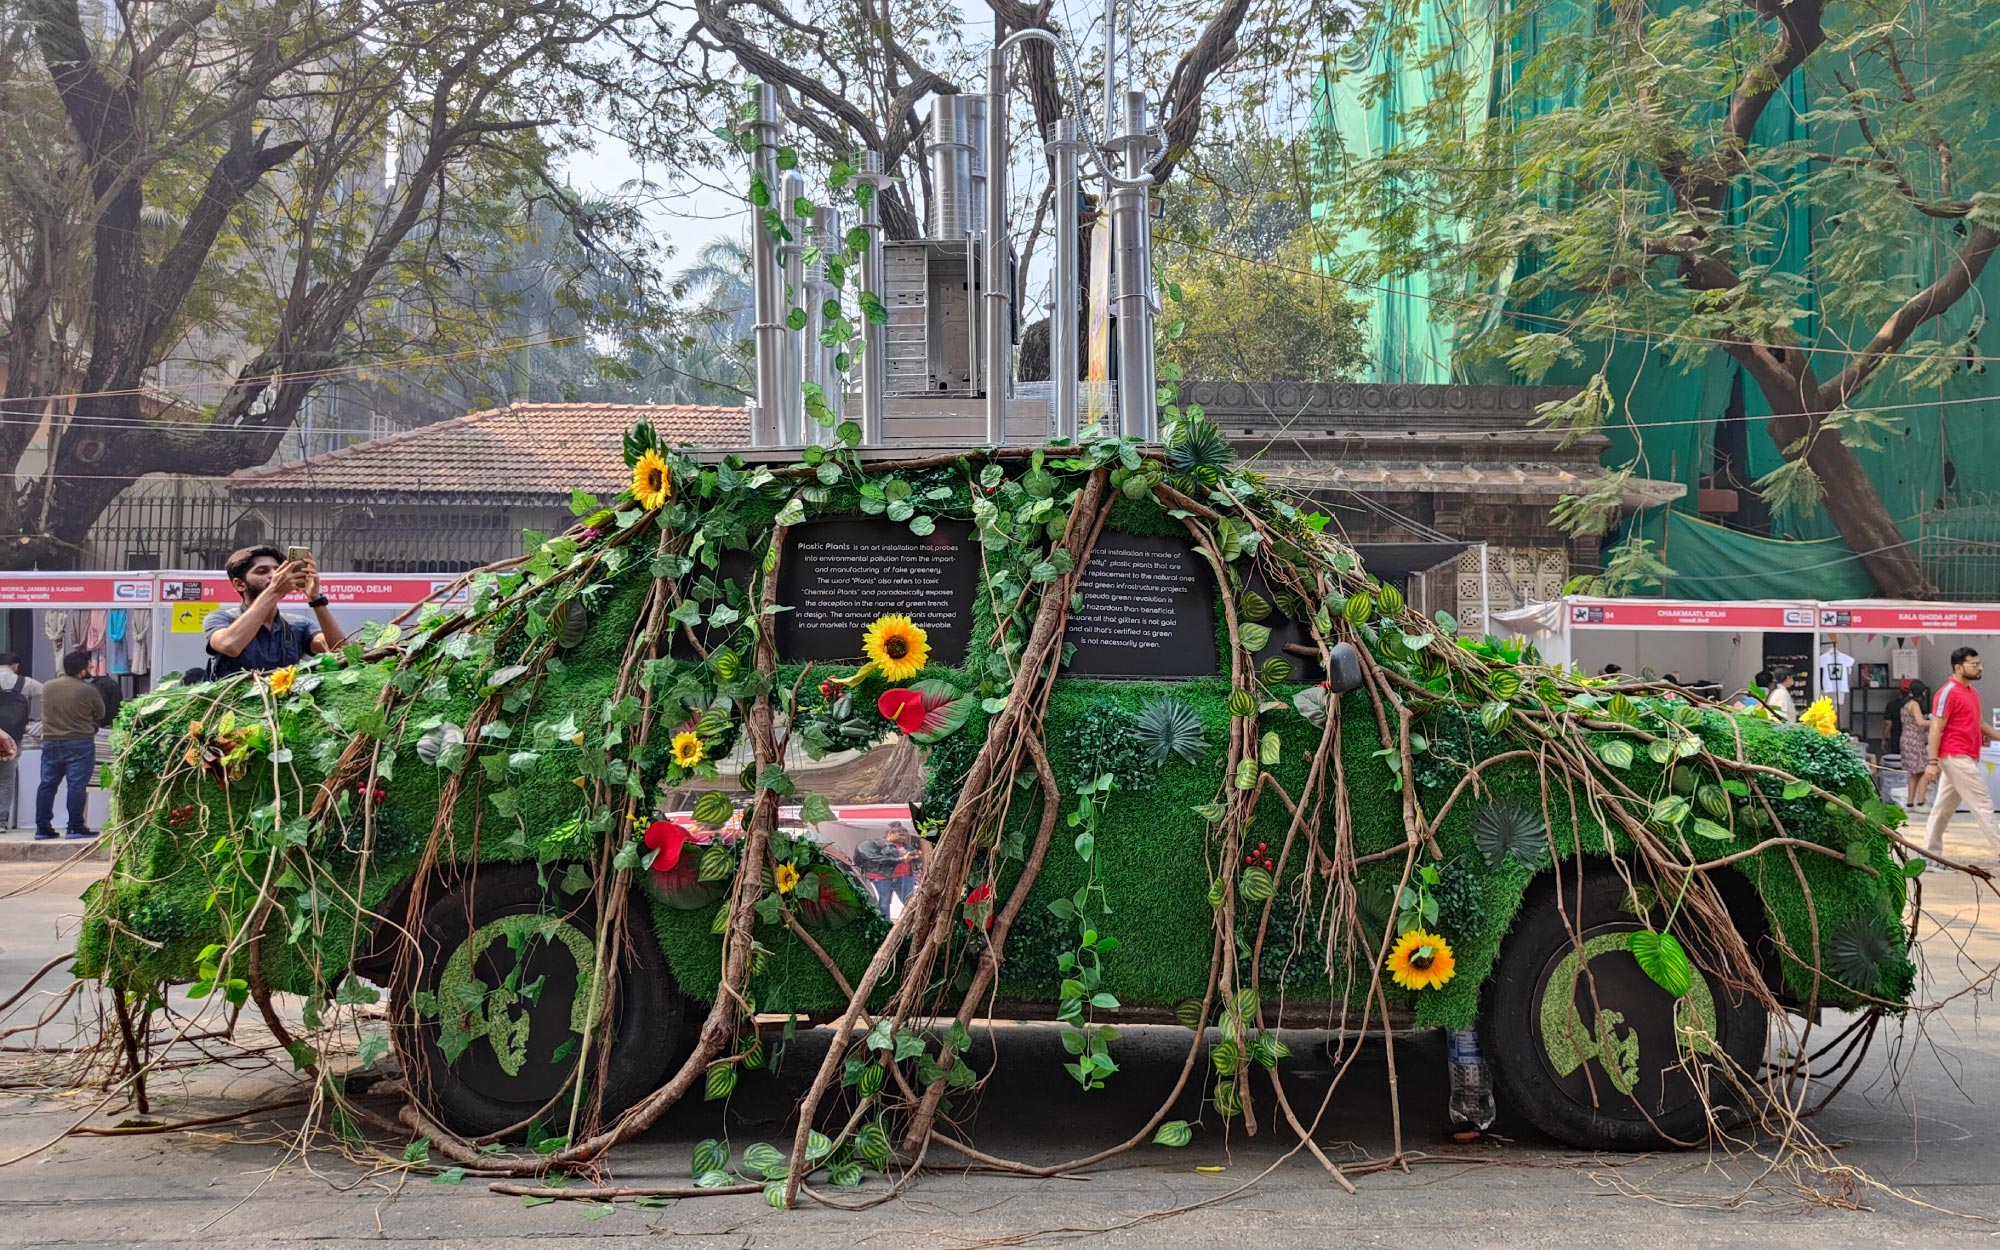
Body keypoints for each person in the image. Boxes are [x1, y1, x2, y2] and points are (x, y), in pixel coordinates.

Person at [203, 544, 346, 679]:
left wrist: (316, 599)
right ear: (240, 584)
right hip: (231, 703)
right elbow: (229, 645)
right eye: (262, 571)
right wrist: (273, 590)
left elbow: (340, 653)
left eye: (277, 570)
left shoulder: (298, 625)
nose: (274, 575)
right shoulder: (221, 618)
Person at [1923, 648, 2000, 859]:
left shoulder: (1972, 692)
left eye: (1979, 664)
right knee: (1982, 803)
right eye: (1974, 665)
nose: (1979, 668)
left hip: (1966, 755)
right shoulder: (1947, 692)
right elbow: (1935, 728)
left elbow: (1980, 724)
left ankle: (1930, 856)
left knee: (1942, 808)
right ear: (1958, 667)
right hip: (1955, 755)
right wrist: (1932, 762)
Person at [35, 651, 103, 840]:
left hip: (50, 741)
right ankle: (74, 827)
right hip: (80, 742)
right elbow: (101, 712)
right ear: (82, 671)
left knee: (47, 784)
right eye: (88, 667)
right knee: (76, 786)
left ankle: (42, 827)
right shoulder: (88, 690)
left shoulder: (48, 686)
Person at [0, 653, 43, 830]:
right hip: (13, 739)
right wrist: (42, 720)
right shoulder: (24, 682)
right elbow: (48, 692)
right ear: (15, 665)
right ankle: (1, 820)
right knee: (5, 779)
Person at [1901, 681, 1933, 809]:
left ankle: (1910, 801)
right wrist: (1936, 722)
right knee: (1924, 770)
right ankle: (1921, 801)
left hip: (1906, 738)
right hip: (1915, 739)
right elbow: (1920, 722)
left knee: (1914, 773)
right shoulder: (1914, 704)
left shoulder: (1905, 704)